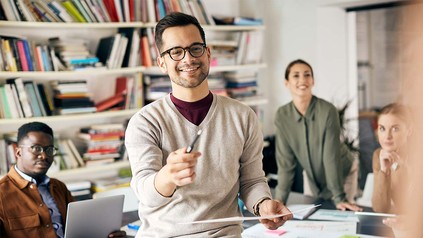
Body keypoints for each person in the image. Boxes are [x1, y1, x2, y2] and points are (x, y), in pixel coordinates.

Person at [124, 12, 292, 237]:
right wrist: (168, 176)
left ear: (208, 53)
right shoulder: (145, 122)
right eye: (176, 52)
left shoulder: (243, 116)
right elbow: (145, 193)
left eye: (195, 48)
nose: (188, 59)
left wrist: (263, 205)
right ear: (162, 63)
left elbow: (251, 181)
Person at [0, 121, 126, 238]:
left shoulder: (58, 187)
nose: (44, 155)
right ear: (18, 152)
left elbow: (79, 230)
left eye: (49, 150)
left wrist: (105, 234)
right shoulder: (2, 194)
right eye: (36, 148)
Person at [274, 59, 362, 211]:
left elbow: (331, 157)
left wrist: (339, 197)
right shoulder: (282, 116)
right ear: (286, 83)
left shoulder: (328, 111)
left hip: (342, 172)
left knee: (340, 214)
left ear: (313, 81)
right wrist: (279, 200)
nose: (302, 80)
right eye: (296, 75)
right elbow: (285, 163)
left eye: (307, 75)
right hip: (312, 178)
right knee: (314, 219)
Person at [372, 103, 412, 214]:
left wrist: (405, 169)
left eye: (395, 129)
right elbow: (380, 208)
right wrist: (384, 171)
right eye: (382, 128)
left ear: (409, 131)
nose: (387, 136)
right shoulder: (378, 155)